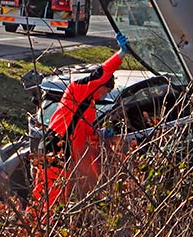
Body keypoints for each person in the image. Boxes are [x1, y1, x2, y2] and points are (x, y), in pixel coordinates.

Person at [30, 31, 129, 212]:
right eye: (105, 92)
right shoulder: (77, 91)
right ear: (100, 85)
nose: (104, 95)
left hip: (64, 151)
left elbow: (85, 140)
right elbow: (101, 73)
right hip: (56, 146)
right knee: (50, 194)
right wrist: (120, 54)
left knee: (56, 194)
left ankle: (41, 229)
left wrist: (100, 135)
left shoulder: (88, 108)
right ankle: (38, 230)